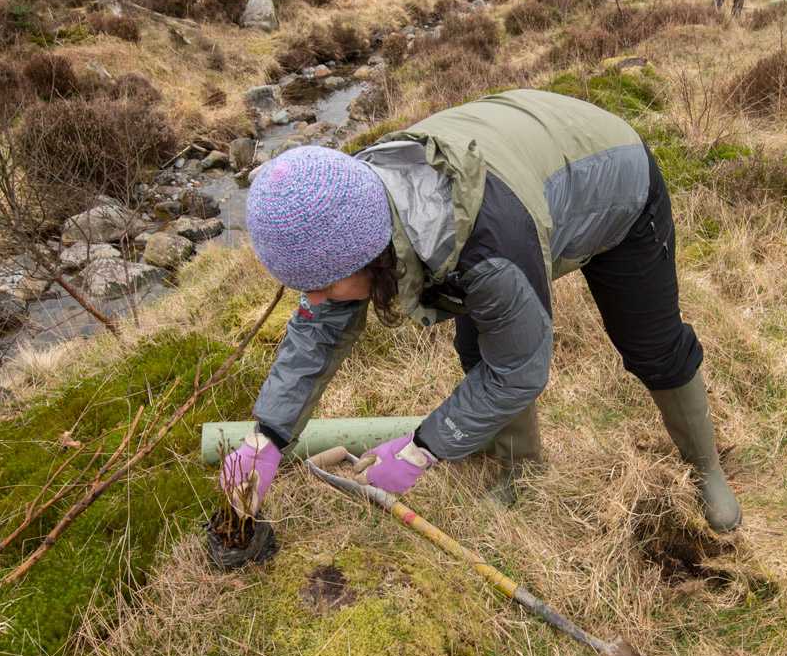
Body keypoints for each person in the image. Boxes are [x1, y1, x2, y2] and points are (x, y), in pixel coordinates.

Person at [221, 90, 742, 534]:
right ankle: (522, 469)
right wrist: (267, 437)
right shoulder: (346, 208)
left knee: (652, 345)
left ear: (373, 256)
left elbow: (519, 370)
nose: (312, 300)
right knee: (477, 347)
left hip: (611, 179)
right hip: (519, 167)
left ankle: (707, 470)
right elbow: (317, 334)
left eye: (321, 285)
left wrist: (420, 450)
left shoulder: (489, 249)